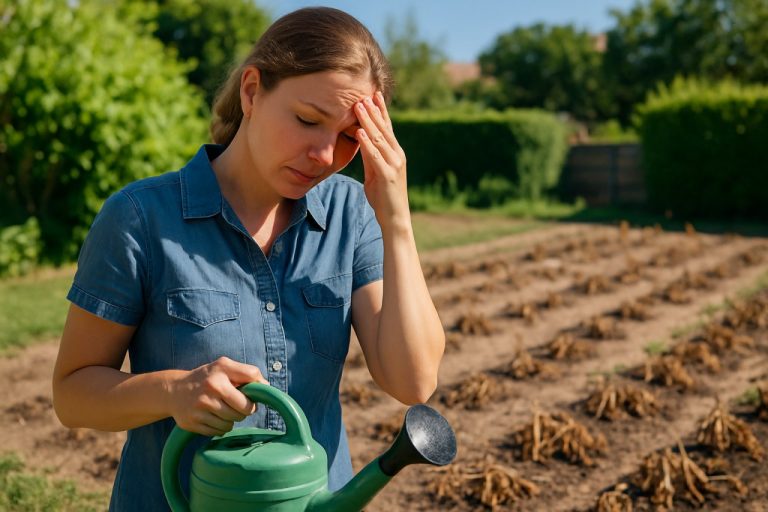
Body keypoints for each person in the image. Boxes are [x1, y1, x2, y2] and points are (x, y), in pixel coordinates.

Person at [51, 6, 445, 511]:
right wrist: (173, 391)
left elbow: (412, 381)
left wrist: (397, 219)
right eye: (307, 120)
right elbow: (72, 394)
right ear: (252, 90)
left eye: (350, 136)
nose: (325, 155)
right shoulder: (139, 217)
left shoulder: (351, 215)